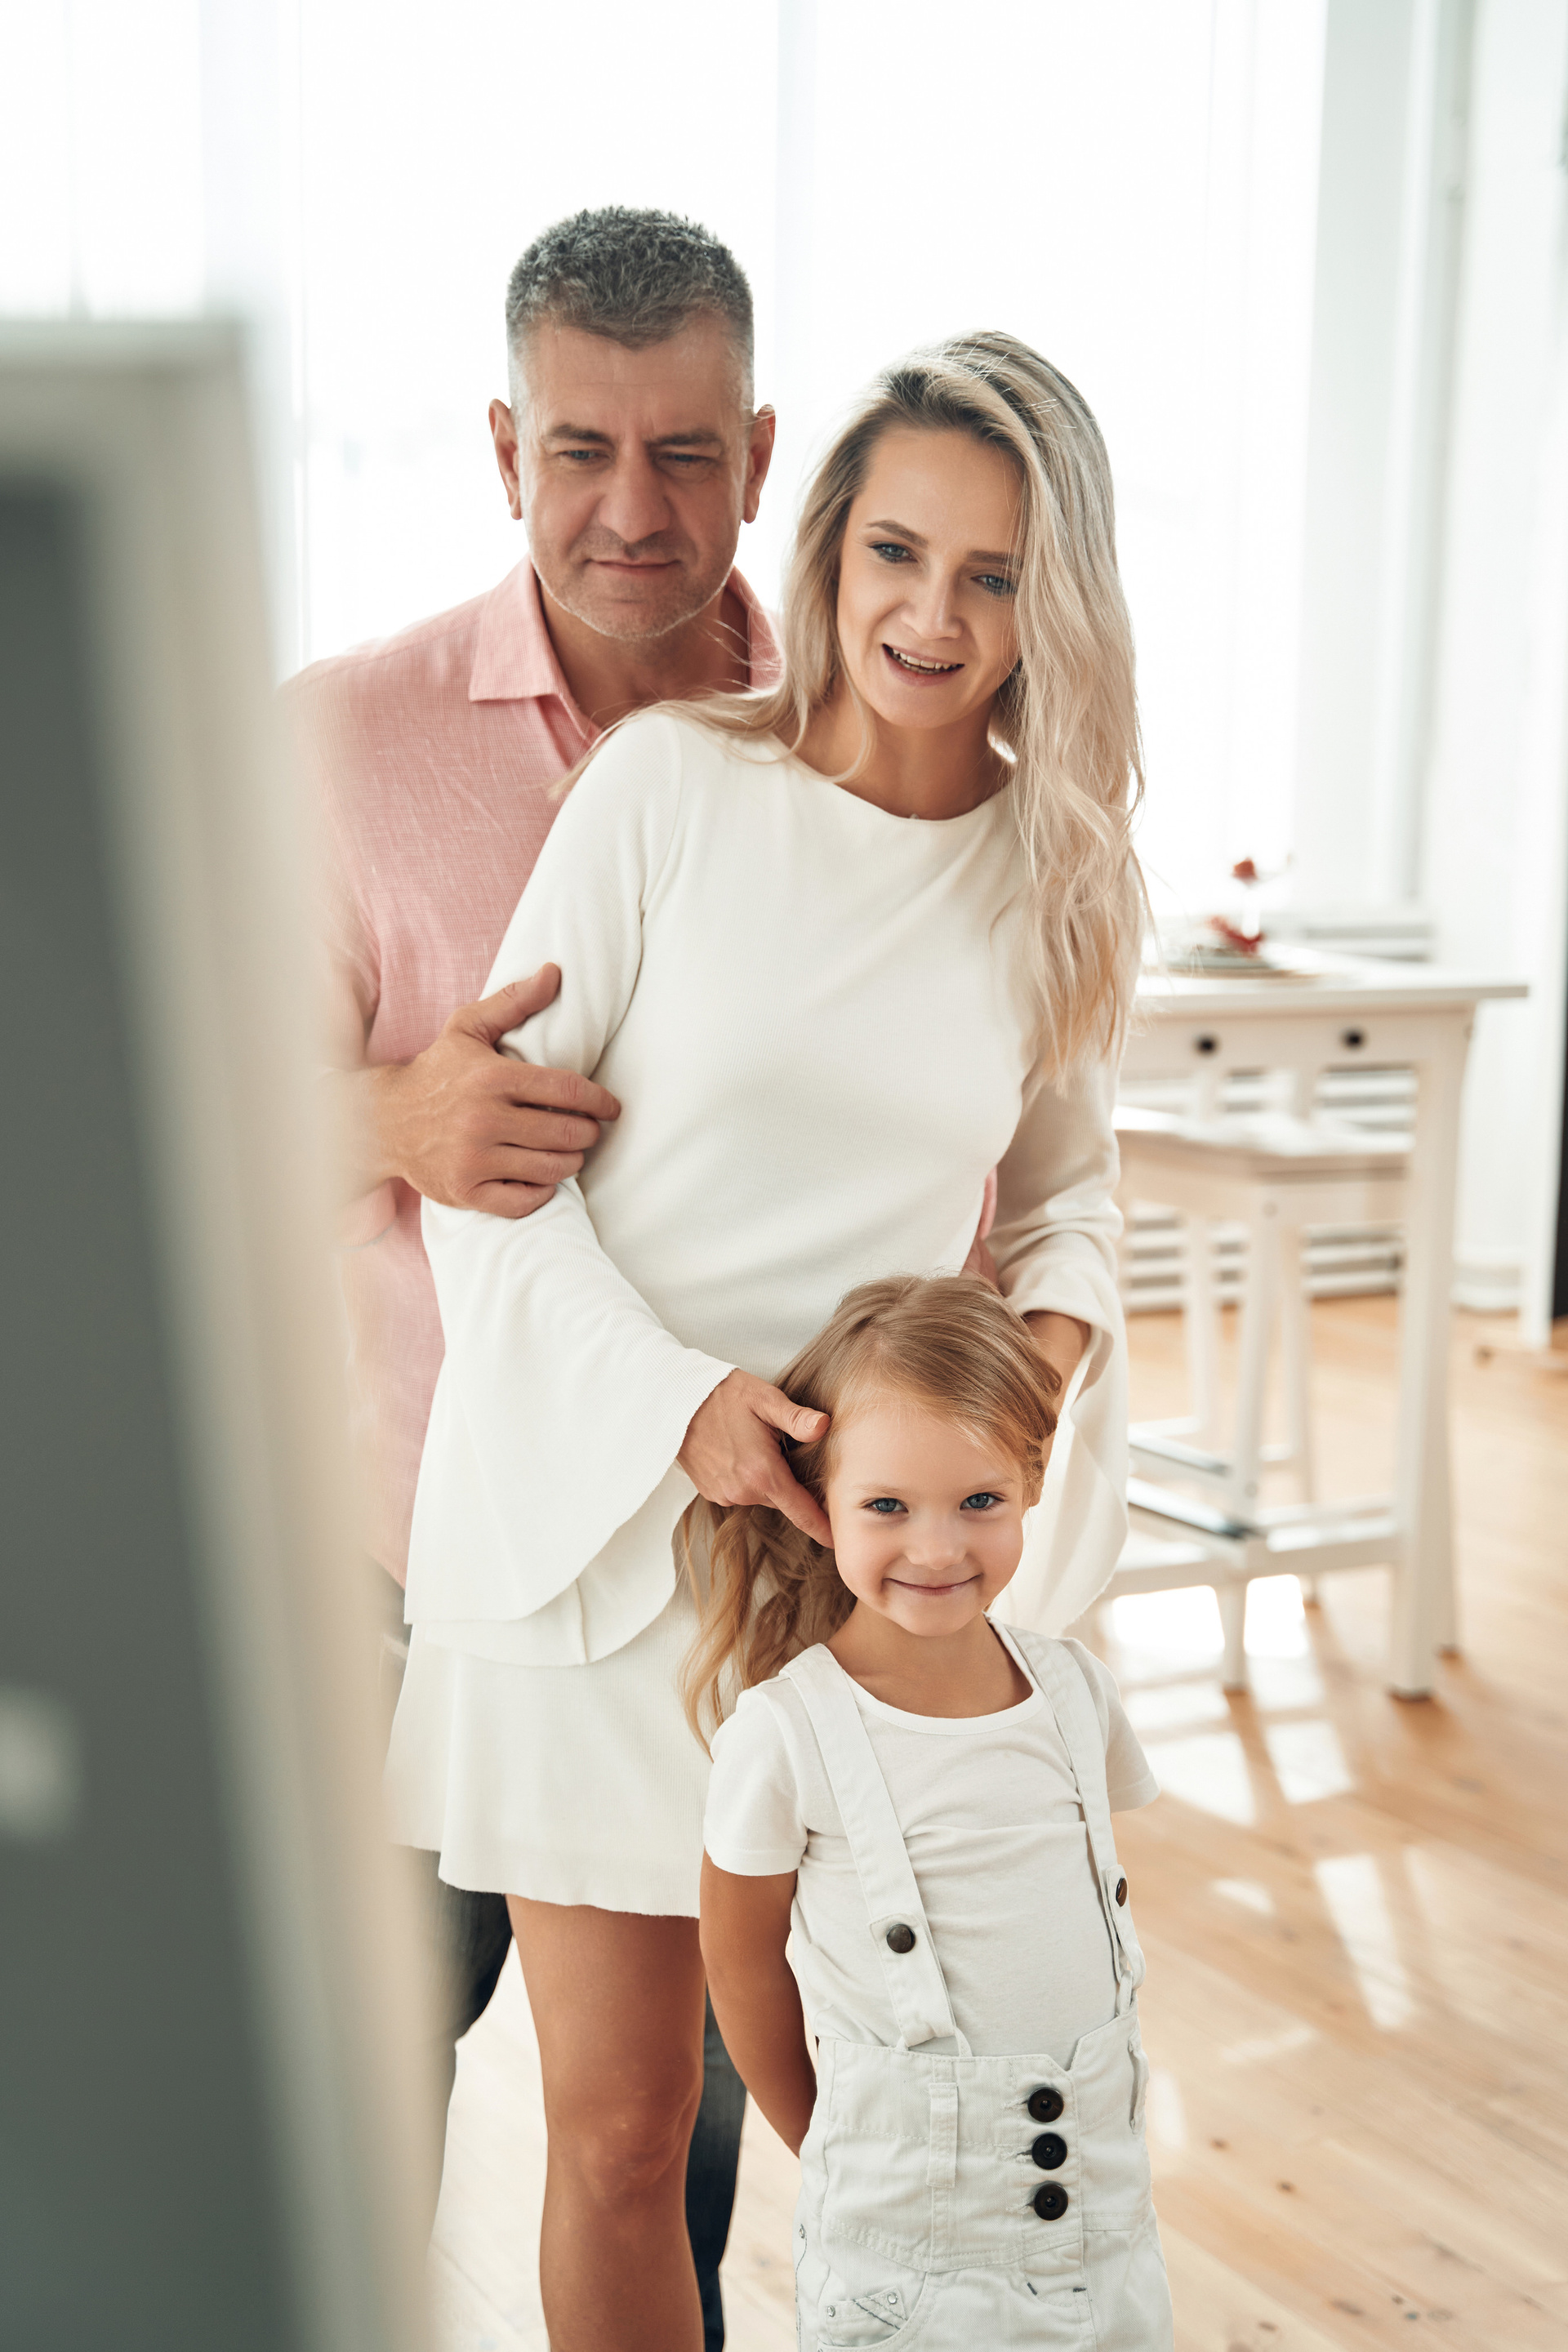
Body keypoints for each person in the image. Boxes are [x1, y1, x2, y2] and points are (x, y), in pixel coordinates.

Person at [386, 329, 1146, 2352]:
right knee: (622, 2133)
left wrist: (1029, 1378)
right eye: (896, 551)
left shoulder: (1057, 876)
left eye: (992, 575)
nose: (932, 615)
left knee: (869, 2118)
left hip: (827, 1583)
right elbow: (493, 1174)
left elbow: (1068, 1197)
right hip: (583, 1537)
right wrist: (682, 1410)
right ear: (827, 551)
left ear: (1054, 602)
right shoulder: (667, 789)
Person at [289, 207, 778, 2340]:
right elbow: (160, 1117)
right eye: (581, 449)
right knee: (341, 2126)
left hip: (707, 1594)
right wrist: (392, 1120)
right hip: (395, 1564)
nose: (633, 508)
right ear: (504, 450)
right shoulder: (340, 740)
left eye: (685, 452)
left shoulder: (849, 739)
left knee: (661, 2155)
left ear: (761, 453)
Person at [695, 1274, 1173, 2348]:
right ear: (821, 1500)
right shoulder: (785, 1734)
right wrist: (831, 2142)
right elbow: (739, 1961)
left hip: (1109, 2231)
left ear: (1032, 1483)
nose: (938, 1548)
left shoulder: (1075, 1691)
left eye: (979, 1502)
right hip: (905, 2259)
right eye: (887, 1507)